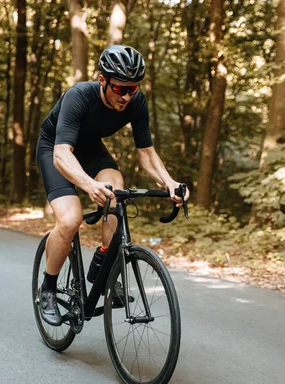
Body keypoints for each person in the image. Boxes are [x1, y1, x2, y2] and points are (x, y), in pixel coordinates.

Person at [36, 45, 190, 326]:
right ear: (102, 80)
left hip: (91, 149)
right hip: (55, 149)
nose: (127, 96)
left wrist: (169, 183)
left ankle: (102, 267)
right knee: (71, 220)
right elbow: (61, 154)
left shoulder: (136, 101)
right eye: (120, 89)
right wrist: (88, 184)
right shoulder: (79, 96)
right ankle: (47, 288)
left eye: (133, 89)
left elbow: (146, 153)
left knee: (116, 193)